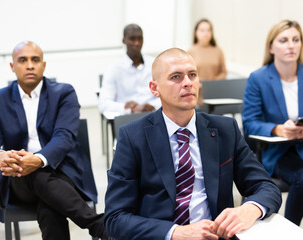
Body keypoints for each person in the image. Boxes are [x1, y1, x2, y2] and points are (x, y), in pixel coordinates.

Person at [104, 48, 281, 240]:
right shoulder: (133, 137)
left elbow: (266, 187)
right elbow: (115, 218)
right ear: (155, 88)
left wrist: (250, 209)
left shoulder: (225, 130)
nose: (187, 83)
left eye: (192, 75)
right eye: (176, 77)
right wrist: (175, 233)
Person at [0, 41, 110, 240]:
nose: (30, 65)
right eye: (23, 60)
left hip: (64, 172)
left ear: (43, 65)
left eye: (35, 60)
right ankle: (98, 225)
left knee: (50, 207)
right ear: (12, 66)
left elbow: (64, 136)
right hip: (20, 179)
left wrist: (37, 160)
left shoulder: (64, 93)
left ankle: (98, 226)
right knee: (31, 172)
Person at [242, 20, 303, 226]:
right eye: (284, 40)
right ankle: (291, 230)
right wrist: (278, 129)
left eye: (295, 40)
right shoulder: (258, 78)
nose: (291, 45)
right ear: (271, 47)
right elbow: (249, 123)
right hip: (277, 150)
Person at [98, 23, 161, 114]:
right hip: (127, 118)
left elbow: (168, 96)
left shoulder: (155, 64)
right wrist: (129, 108)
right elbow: (103, 104)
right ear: (124, 40)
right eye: (132, 39)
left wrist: (152, 105)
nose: (137, 43)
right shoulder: (114, 69)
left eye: (140, 39)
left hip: (153, 114)